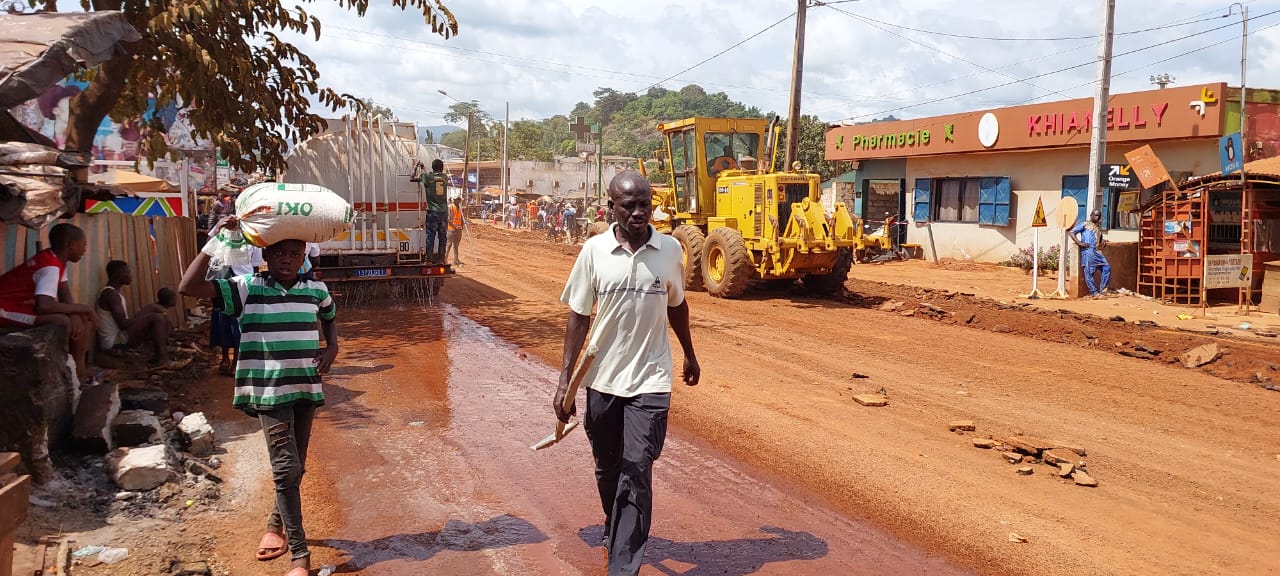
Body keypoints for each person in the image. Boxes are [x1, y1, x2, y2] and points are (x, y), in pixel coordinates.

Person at [555, 170, 700, 575]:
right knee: (608, 466)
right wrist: (565, 379)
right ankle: (614, 523)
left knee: (637, 467)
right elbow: (578, 316)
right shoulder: (594, 251)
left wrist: (689, 354)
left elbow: (677, 306)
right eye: (629, 205)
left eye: (645, 205)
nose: (639, 213)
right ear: (611, 208)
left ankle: (622, 566)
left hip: (651, 379)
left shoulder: (670, 250)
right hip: (601, 379)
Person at [179, 216, 338, 576]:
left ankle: (275, 525)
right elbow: (188, 287)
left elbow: (330, 314)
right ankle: (300, 557)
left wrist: (334, 347)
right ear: (265, 254)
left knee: (296, 464)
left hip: (305, 388)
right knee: (285, 468)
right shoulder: (248, 287)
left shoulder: (315, 290)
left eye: (294, 254)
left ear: (304, 258)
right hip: (269, 391)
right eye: (279, 253)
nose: (287, 259)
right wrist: (214, 239)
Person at [0, 222, 96, 378]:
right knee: (62, 321)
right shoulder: (50, 266)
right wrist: (85, 308)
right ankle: (61, 369)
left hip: (16, 305)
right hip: (3, 308)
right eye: (83, 245)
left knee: (78, 318)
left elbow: (65, 296)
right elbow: (44, 306)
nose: (85, 250)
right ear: (70, 244)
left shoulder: (56, 260)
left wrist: (77, 313)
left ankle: (79, 369)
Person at [207, 227, 264, 375]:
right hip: (222, 283)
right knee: (222, 321)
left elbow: (256, 264)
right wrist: (219, 227)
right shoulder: (221, 235)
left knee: (240, 324)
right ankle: (225, 359)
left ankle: (236, 362)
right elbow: (208, 247)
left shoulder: (253, 238)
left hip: (243, 285)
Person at [96, 260, 174, 364]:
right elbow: (123, 324)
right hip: (114, 342)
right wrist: (147, 318)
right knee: (156, 318)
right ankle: (162, 357)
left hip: (119, 336)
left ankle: (161, 350)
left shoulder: (113, 293)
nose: (130, 276)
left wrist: (147, 313)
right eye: (127, 273)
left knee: (151, 309)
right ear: (119, 275)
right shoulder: (111, 294)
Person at [411, 159, 448, 263]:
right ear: (442, 168)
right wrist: (424, 168)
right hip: (444, 212)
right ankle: (441, 259)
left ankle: (428, 260)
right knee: (442, 237)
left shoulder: (427, 177)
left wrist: (416, 167)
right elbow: (432, 176)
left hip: (432, 212)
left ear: (433, 168)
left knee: (430, 237)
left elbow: (412, 178)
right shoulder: (445, 177)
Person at [1071, 209, 1111, 299]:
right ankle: (1094, 293)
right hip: (1088, 251)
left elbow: (1099, 240)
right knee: (1089, 272)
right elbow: (1072, 232)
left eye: (1099, 216)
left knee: (1107, 268)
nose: (1097, 217)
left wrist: (1103, 242)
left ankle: (1103, 290)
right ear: (1091, 215)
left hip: (1097, 252)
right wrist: (1079, 243)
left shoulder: (1097, 229)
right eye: (1096, 215)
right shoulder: (1085, 224)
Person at [447, 196, 467, 266]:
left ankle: (456, 260)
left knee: (456, 245)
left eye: (459, 200)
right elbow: (448, 219)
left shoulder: (460, 208)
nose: (459, 201)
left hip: (458, 229)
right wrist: (454, 226)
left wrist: (462, 226)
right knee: (449, 245)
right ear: (454, 200)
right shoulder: (450, 207)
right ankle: (445, 259)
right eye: (457, 200)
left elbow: (461, 218)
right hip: (451, 229)